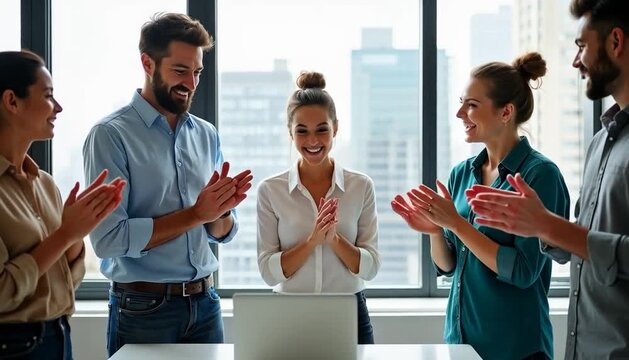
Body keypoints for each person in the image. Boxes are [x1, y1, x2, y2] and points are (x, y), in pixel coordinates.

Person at [82, 13, 253, 356]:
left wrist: (219, 214)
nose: (191, 83)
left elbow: (219, 231)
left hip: (206, 303)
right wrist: (195, 214)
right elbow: (108, 240)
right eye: (179, 71)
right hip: (144, 309)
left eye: (197, 72)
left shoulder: (206, 134)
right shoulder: (110, 136)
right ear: (148, 63)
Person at [467, 1, 629, 358]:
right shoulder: (602, 142)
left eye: (581, 47)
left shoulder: (542, 171)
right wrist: (543, 228)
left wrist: (549, 227)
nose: (576, 62)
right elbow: (587, 244)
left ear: (615, 42)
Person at [391, 53, 570, 360]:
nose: (460, 113)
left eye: (472, 105)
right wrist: (437, 230)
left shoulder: (540, 176)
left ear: (506, 112)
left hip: (517, 348)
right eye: (462, 102)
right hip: (461, 345)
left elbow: (524, 271)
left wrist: (457, 224)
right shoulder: (462, 173)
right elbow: (449, 266)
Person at [0, 50, 124, 359]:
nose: (58, 107)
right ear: (11, 102)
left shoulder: (45, 183)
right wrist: (65, 234)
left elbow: (65, 281)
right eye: (48, 96)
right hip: (13, 347)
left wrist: (77, 232)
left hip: (58, 337)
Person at [257, 71, 380, 344]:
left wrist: (334, 240)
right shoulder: (271, 190)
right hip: (288, 312)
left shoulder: (361, 186)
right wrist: (313, 241)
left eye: (322, 129)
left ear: (335, 128)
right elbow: (268, 272)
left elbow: (370, 268)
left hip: (349, 311)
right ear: (291, 133)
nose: (312, 141)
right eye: (302, 131)